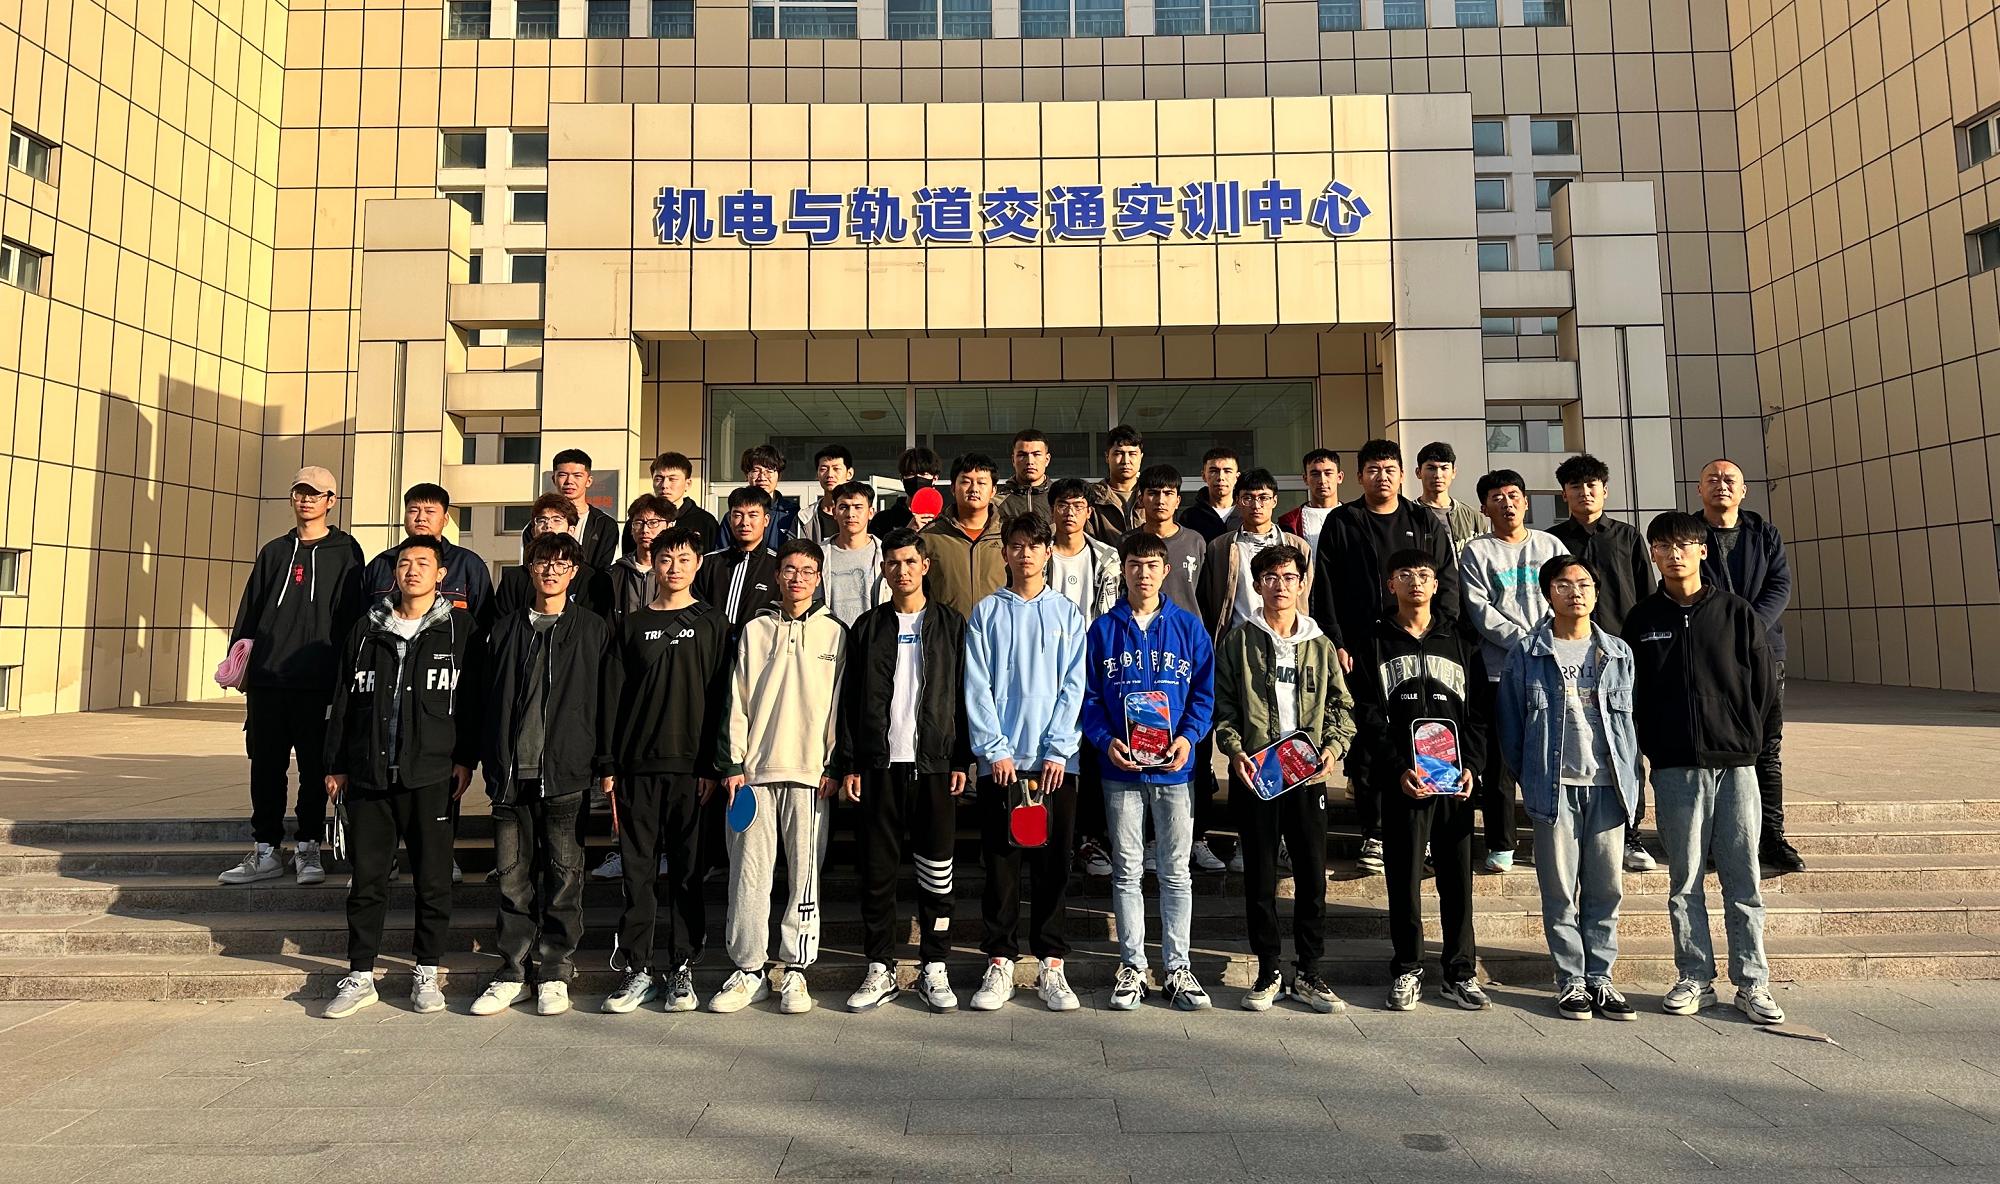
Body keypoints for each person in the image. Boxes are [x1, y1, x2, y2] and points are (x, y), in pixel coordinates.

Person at [1624, 511, 1785, 1025]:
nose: (1674, 554)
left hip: (1735, 764)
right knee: (1685, 880)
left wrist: (1752, 744)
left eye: (1684, 545)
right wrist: (1653, 746)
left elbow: (1764, 688)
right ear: (1653, 554)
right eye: (1663, 546)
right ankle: (1695, 976)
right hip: (1675, 766)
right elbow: (1633, 694)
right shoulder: (1641, 619)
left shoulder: (1736, 612)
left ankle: (1752, 982)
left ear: (1702, 551)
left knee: (1743, 878)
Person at [319, 536, 481, 1019]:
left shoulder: (461, 629)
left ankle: (426, 969)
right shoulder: (367, 628)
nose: (412, 570)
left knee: (433, 879)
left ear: (441, 574)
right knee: (367, 880)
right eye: (405, 562)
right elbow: (343, 698)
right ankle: (360, 973)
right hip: (369, 775)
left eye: (423, 563)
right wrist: (336, 764)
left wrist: (466, 758)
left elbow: (473, 701)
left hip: (430, 773)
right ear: (394, 572)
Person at [468, 532, 613, 1019]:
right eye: (542, 563)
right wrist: (487, 759)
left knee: (564, 878)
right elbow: (485, 698)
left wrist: (603, 762)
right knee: (512, 880)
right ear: (529, 569)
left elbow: (605, 700)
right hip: (511, 775)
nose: (550, 571)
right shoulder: (504, 629)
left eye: (561, 564)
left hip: (565, 774)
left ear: (574, 572)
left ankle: (554, 971)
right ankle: (512, 971)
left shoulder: (592, 628)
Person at [1496, 554, 1642, 1022]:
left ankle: (1601, 977)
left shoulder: (1618, 653)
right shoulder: (1527, 653)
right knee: (1559, 890)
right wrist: (1534, 777)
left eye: (1583, 584)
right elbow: (1510, 728)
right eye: (1563, 584)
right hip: (1554, 787)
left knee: (1606, 889)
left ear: (1596, 593)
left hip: (1608, 786)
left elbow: (1632, 728)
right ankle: (1571, 979)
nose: (1574, 592)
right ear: (1548, 594)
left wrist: (1634, 781)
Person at [1214, 544, 1355, 1014]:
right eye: (1271, 577)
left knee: (1312, 877)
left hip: (1308, 778)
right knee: (1259, 877)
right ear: (1257, 585)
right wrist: (1234, 750)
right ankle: (1269, 968)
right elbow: (1224, 705)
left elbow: (1341, 706)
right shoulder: (1239, 641)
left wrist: (1333, 748)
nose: (1280, 585)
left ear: (1301, 584)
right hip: (1258, 775)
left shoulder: (1319, 644)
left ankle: (1310, 971)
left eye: (1289, 577)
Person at [1348, 548, 1490, 1014]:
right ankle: (1408, 967)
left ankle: (1460, 972)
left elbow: (1479, 713)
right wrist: (1396, 768)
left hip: (1454, 779)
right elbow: (1368, 713)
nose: (1415, 582)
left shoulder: (1460, 639)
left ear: (1435, 584)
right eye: (1404, 574)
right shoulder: (1375, 641)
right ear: (1391, 584)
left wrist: (1472, 765)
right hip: (1404, 779)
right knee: (1404, 879)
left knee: (1457, 881)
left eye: (1424, 575)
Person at [709, 539, 848, 1016]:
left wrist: (832, 765)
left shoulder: (835, 633)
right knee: (748, 876)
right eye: (789, 569)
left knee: (804, 878)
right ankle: (748, 969)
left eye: (807, 571)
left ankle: (795, 969)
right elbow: (736, 699)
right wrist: (732, 765)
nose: (797, 578)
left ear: (819, 577)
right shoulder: (754, 629)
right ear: (778, 575)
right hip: (754, 775)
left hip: (810, 775)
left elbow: (838, 708)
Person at [1081, 532, 1216, 1012]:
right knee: (1127, 871)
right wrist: (1106, 741)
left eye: (1152, 565)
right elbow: (1089, 698)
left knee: (1176, 872)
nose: (1143, 573)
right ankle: (1133, 966)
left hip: (1174, 771)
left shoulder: (1188, 628)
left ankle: (1177, 967)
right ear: (1124, 570)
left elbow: (1204, 695)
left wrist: (1188, 738)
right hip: (1120, 769)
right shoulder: (1103, 630)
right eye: (1135, 564)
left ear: (1166, 570)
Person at [839, 531, 972, 1014]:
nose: (902, 570)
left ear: (925, 566)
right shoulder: (868, 626)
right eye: (893, 563)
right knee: (876, 874)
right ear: (884, 569)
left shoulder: (951, 624)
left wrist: (961, 758)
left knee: (937, 874)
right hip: (879, 766)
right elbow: (849, 699)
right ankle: (880, 966)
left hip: (934, 767)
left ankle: (934, 964)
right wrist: (852, 763)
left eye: (910, 562)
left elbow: (964, 692)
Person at [1310, 439, 1458, 873]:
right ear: (1359, 477)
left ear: (1402, 474)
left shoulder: (1422, 519)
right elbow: (1326, 587)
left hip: (1416, 642)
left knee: (1420, 729)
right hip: (1362, 647)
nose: (1382, 477)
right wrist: (1336, 640)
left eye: (1390, 469)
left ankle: (1422, 831)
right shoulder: (1344, 520)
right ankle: (1374, 833)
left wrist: (1441, 632)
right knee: (1369, 739)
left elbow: (1445, 578)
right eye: (1373, 469)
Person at [601, 525, 731, 1015]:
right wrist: (609, 763)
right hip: (636, 767)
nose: (673, 568)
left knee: (687, 873)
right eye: (664, 559)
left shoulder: (714, 623)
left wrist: (714, 765)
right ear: (652, 564)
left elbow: (723, 698)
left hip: (693, 771)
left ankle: (682, 966)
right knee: (637, 873)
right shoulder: (631, 625)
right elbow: (612, 697)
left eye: (683, 559)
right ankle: (637, 968)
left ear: (698, 564)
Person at [964, 513, 1088, 1012]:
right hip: (1003, 765)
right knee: (1001, 866)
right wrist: (993, 749)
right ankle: (1000, 961)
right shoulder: (987, 612)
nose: (1025, 554)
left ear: (1048, 552)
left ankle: (1051, 964)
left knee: (1054, 867)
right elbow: (977, 686)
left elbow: (1075, 686)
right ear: (1006, 553)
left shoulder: (1067, 614)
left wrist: (1059, 749)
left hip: (1056, 765)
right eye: (1016, 545)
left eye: (1034, 546)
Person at [219, 466, 366, 888]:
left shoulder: (346, 551)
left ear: (331, 501)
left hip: (319, 682)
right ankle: (266, 849)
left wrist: (348, 677)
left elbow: (352, 617)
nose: (306, 500)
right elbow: (250, 612)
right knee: (265, 766)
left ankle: (308, 847)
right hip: (268, 680)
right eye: (300, 492)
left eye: (315, 494)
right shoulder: (274, 551)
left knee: (315, 769)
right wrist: (240, 664)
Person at [1548, 453, 1657, 872]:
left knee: (1626, 744)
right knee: (1572, 741)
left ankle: (1631, 832)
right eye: (1575, 486)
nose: (1584, 492)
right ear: (1564, 495)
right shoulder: (1554, 541)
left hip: (1622, 657)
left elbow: (1646, 597)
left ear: (1605, 491)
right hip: (1569, 656)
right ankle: (1566, 828)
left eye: (1591, 485)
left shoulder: (1627, 537)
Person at [1459, 468, 1568, 873]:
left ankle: (1549, 839)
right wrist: (1525, 640)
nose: (1507, 503)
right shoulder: (1477, 551)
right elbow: (1479, 608)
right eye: (1497, 497)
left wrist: (1544, 639)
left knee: (1548, 755)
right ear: (1484, 507)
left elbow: (1567, 593)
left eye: (1513, 495)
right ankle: (1501, 843)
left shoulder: (1550, 545)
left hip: (1549, 666)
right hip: (1497, 671)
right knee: (1499, 763)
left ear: (1525, 501)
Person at [1698, 458, 1803, 874]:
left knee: (1766, 749)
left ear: (1743, 491)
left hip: (1763, 655)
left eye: (1730, 480)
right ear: (1699, 490)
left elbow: (1780, 586)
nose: (1721, 485)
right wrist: (1723, 633)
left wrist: (1748, 629)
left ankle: (1771, 838)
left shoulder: (1765, 534)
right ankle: (1718, 838)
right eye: (1712, 479)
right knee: (1714, 749)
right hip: (1709, 655)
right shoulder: (1689, 533)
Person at [1048, 478, 1121, 880]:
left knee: (1092, 754)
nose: (1070, 512)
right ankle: (1052, 835)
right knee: (1053, 751)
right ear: (1052, 509)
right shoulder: (1039, 553)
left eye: (1078, 505)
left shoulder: (1106, 556)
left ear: (1088, 512)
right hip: (1046, 668)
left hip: (1092, 668)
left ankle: (1090, 838)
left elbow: (1109, 615)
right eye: (1063, 504)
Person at [360, 483, 494, 630]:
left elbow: (485, 620)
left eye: (430, 511)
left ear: (446, 519)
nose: (421, 518)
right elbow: (361, 617)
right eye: (413, 511)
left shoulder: (468, 564)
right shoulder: (381, 564)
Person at [493, 495, 610, 619]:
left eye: (557, 520)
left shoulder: (591, 579)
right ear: (533, 531)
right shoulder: (514, 579)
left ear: (571, 530)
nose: (548, 526)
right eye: (542, 520)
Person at [919, 452, 1005, 619]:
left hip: (997, 630)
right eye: (966, 482)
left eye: (982, 483)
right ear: (953, 488)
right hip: (947, 631)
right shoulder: (930, 536)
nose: (974, 489)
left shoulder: (1007, 535)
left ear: (993, 490)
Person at [517, 447, 619, 573]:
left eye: (577, 476)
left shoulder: (604, 525)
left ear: (588, 481)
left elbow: (606, 569)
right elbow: (528, 567)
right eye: (562, 475)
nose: (569, 481)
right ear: (554, 479)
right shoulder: (537, 525)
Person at [691, 485, 781, 629]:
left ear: (766, 520)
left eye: (753, 515)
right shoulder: (708, 563)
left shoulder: (778, 566)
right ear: (729, 518)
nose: (745, 522)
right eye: (737, 515)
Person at [1129, 464, 1205, 615]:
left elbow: (1206, 596)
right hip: (1139, 625)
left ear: (1178, 501)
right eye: (1153, 493)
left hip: (1186, 627)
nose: (1160, 500)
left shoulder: (1195, 541)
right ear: (1141, 499)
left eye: (1168, 493)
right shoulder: (1128, 541)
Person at [819, 481, 888, 626]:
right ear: (834, 512)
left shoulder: (885, 554)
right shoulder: (819, 554)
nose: (851, 514)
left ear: (871, 512)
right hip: (830, 636)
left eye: (858, 507)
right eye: (843, 507)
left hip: (872, 635)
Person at [606, 494, 674, 625]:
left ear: (669, 526)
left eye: (653, 523)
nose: (645, 530)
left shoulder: (676, 572)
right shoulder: (613, 574)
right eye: (638, 523)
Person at [721, 443, 801, 548]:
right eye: (756, 471)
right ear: (746, 475)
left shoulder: (792, 513)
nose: (762, 477)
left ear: (779, 475)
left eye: (769, 471)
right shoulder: (734, 516)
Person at [1278, 450, 1343, 562]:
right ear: (1305, 479)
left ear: (1339, 477)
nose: (1322, 480)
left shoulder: (1355, 517)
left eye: (1328, 473)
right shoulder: (1290, 522)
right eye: (1315, 474)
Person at [1415, 441, 1483, 549]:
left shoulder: (1473, 517)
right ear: (1418, 472)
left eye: (1444, 468)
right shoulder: (1408, 514)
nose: (1438, 475)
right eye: (1431, 468)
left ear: (1454, 472)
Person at [1087, 424, 1145, 543]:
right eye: (1118, 453)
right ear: (1107, 457)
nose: (1125, 461)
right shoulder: (1092, 497)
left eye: (1132, 454)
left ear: (1141, 457)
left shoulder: (1152, 494)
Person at [651, 451, 720, 546]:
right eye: (658, 479)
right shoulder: (641, 521)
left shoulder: (705, 522)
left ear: (688, 484)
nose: (664, 485)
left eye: (672, 479)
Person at [872, 446, 943, 536]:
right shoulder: (883, 520)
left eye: (923, 474)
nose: (917, 479)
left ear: (935, 479)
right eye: (911, 474)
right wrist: (908, 532)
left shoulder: (944, 521)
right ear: (901, 478)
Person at [1179, 446, 1240, 543]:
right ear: (1204, 476)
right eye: (1214, 471)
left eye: (1227, 471)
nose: (1220, 477)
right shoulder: (1190, 517)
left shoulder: (1248, 513)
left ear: (1237, 477)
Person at [997, 429, 1054, 524]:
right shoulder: (996, 501)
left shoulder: (1060, 498)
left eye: (1036, 454)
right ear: (1013, 460)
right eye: (1022, 455)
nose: (1030, 461)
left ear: (1047, 459)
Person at [801, 445, 855, 544]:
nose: (830, 474)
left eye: (836, 469)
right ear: (817, 474)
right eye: (823, 469)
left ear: (849, 473)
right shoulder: (805, 517)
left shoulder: (861, 515)